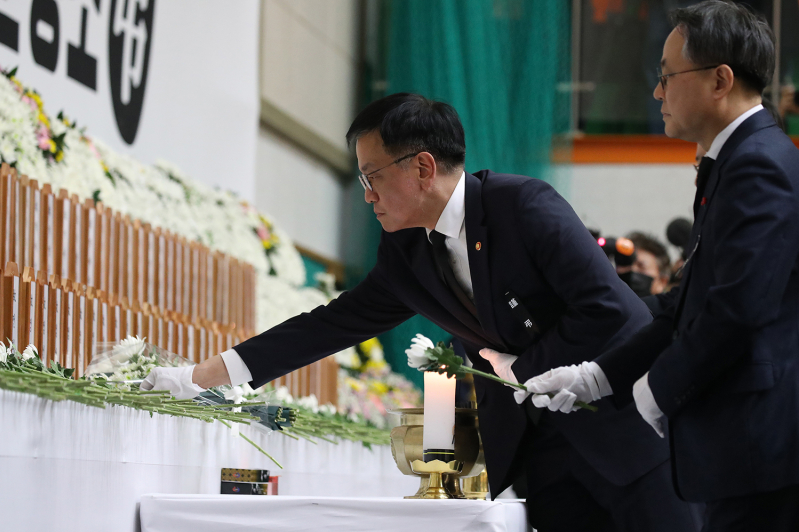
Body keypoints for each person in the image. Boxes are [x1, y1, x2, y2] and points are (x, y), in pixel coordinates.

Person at [142, 93, 701, 531]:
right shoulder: (409, 252)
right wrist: (205, 377)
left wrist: (520, 369)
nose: (367, 195)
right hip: (541, 456)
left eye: (372, 176)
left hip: (624, 441)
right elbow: (331, 324)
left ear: (423, 167)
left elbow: (613, 314)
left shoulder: (522, 207)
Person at [521, 2, 799, 530]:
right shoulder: (737, 160)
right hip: (747, 450)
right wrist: (596, 376)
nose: (657, 93)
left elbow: (739, 308)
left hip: (765, 446)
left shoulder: (759, 164)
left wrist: (661, 386)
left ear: (720, 80)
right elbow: (683, 305)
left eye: (668, 76)